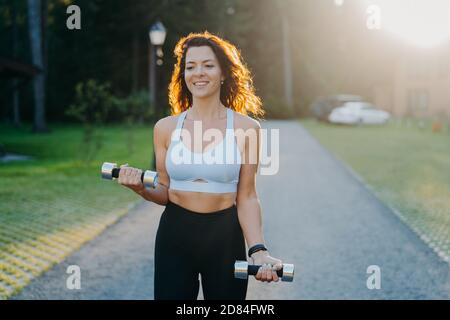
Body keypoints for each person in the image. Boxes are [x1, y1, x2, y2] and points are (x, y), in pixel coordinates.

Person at [118, 31, 282, 300]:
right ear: (183, 75)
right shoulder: (165, 128)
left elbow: (248, 195)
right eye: (190, 66)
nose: (199, 73)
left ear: (223, 73)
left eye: (208, 65)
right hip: (175, 233)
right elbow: (164, 191)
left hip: (225, 236)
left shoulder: (246, 128)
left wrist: (258, 250)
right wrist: (139, 188)